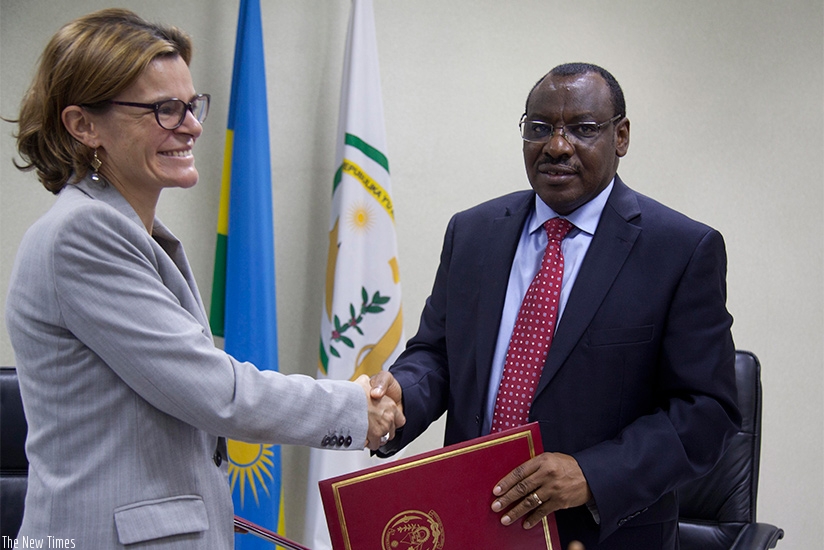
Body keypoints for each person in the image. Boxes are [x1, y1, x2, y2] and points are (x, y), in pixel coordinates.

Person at [4, 9, 403, 548]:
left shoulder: (137, 231)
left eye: (192, 106)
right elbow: (215, 393)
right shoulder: (86, 232)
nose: (191, 125)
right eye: (164, 110)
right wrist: (355, 407)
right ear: (83, 125)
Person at [373, 63, 740, 549]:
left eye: (583, 129)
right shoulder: (473, 232)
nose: (557, 146)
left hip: (600, 534)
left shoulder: (680, 250)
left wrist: (592, 474)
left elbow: (706, 411)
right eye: (540, 128)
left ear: (621, 136)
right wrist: (403, 394)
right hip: (470, 521)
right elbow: (438, 355)